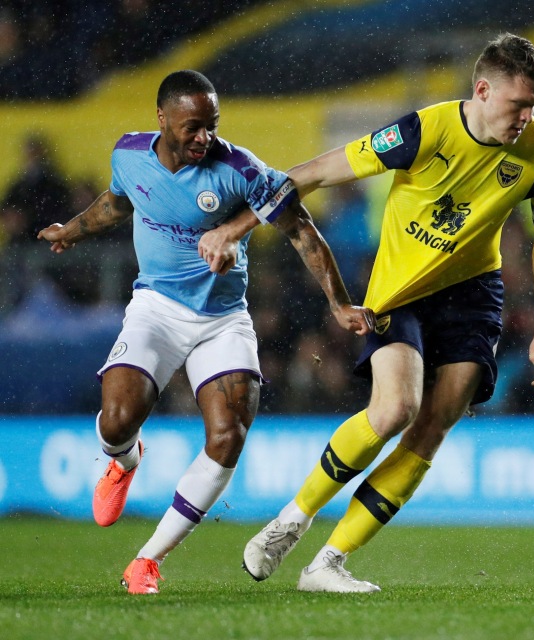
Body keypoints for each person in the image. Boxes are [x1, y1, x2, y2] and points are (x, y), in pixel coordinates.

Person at [199, 33, 534, 593]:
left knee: (431, 428)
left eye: (533, 107)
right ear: (484, 89)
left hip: (473, 295)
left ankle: (328, 564)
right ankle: (289, 522)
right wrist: (235, 226)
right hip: (400, 289)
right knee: (394, 408)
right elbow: (314, 173)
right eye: (518, 104)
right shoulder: (424, 130)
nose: (526, 118)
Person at [37, 69, 374, 595]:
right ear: (162, 119)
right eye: (192, 127)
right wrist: (71, 230)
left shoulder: (239, 169)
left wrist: (338, 303)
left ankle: (146, 560)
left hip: (223, 320)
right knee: (117, 420)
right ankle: (124, 459)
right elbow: (118, 202)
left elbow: (300, 230)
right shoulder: (128, 154)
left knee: (228, 434)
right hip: (155, 310)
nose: (204, 138)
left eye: (211, 127)